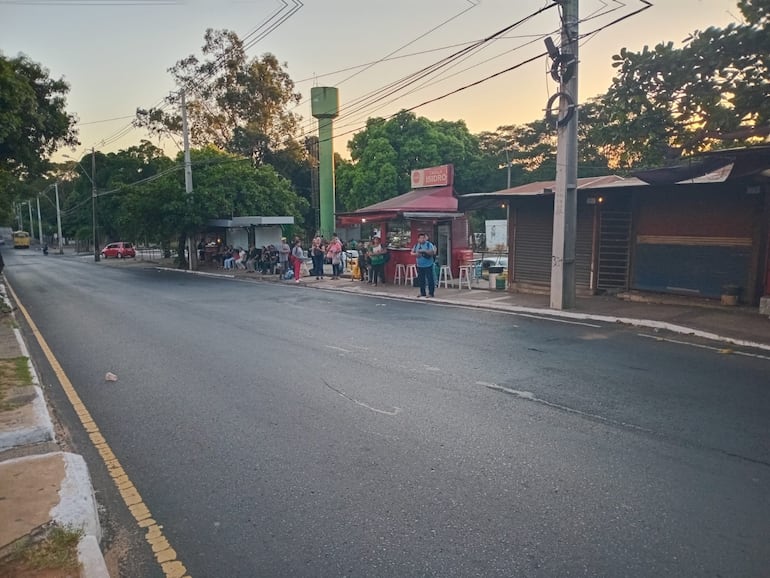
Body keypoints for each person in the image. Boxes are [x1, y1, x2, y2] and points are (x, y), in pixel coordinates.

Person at [411, 232, 436, 298]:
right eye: (421, 238)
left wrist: (424, 251)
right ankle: (422, 292)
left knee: (430, 279)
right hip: (420, 265)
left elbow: (432, 252)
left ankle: (431, 293)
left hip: (428, 265)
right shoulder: (416, 245)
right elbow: (412, 252)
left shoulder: (429, 244)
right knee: (421, 279)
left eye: (423, 238)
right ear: (418, 239)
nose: (422, 239)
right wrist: (416, 254)